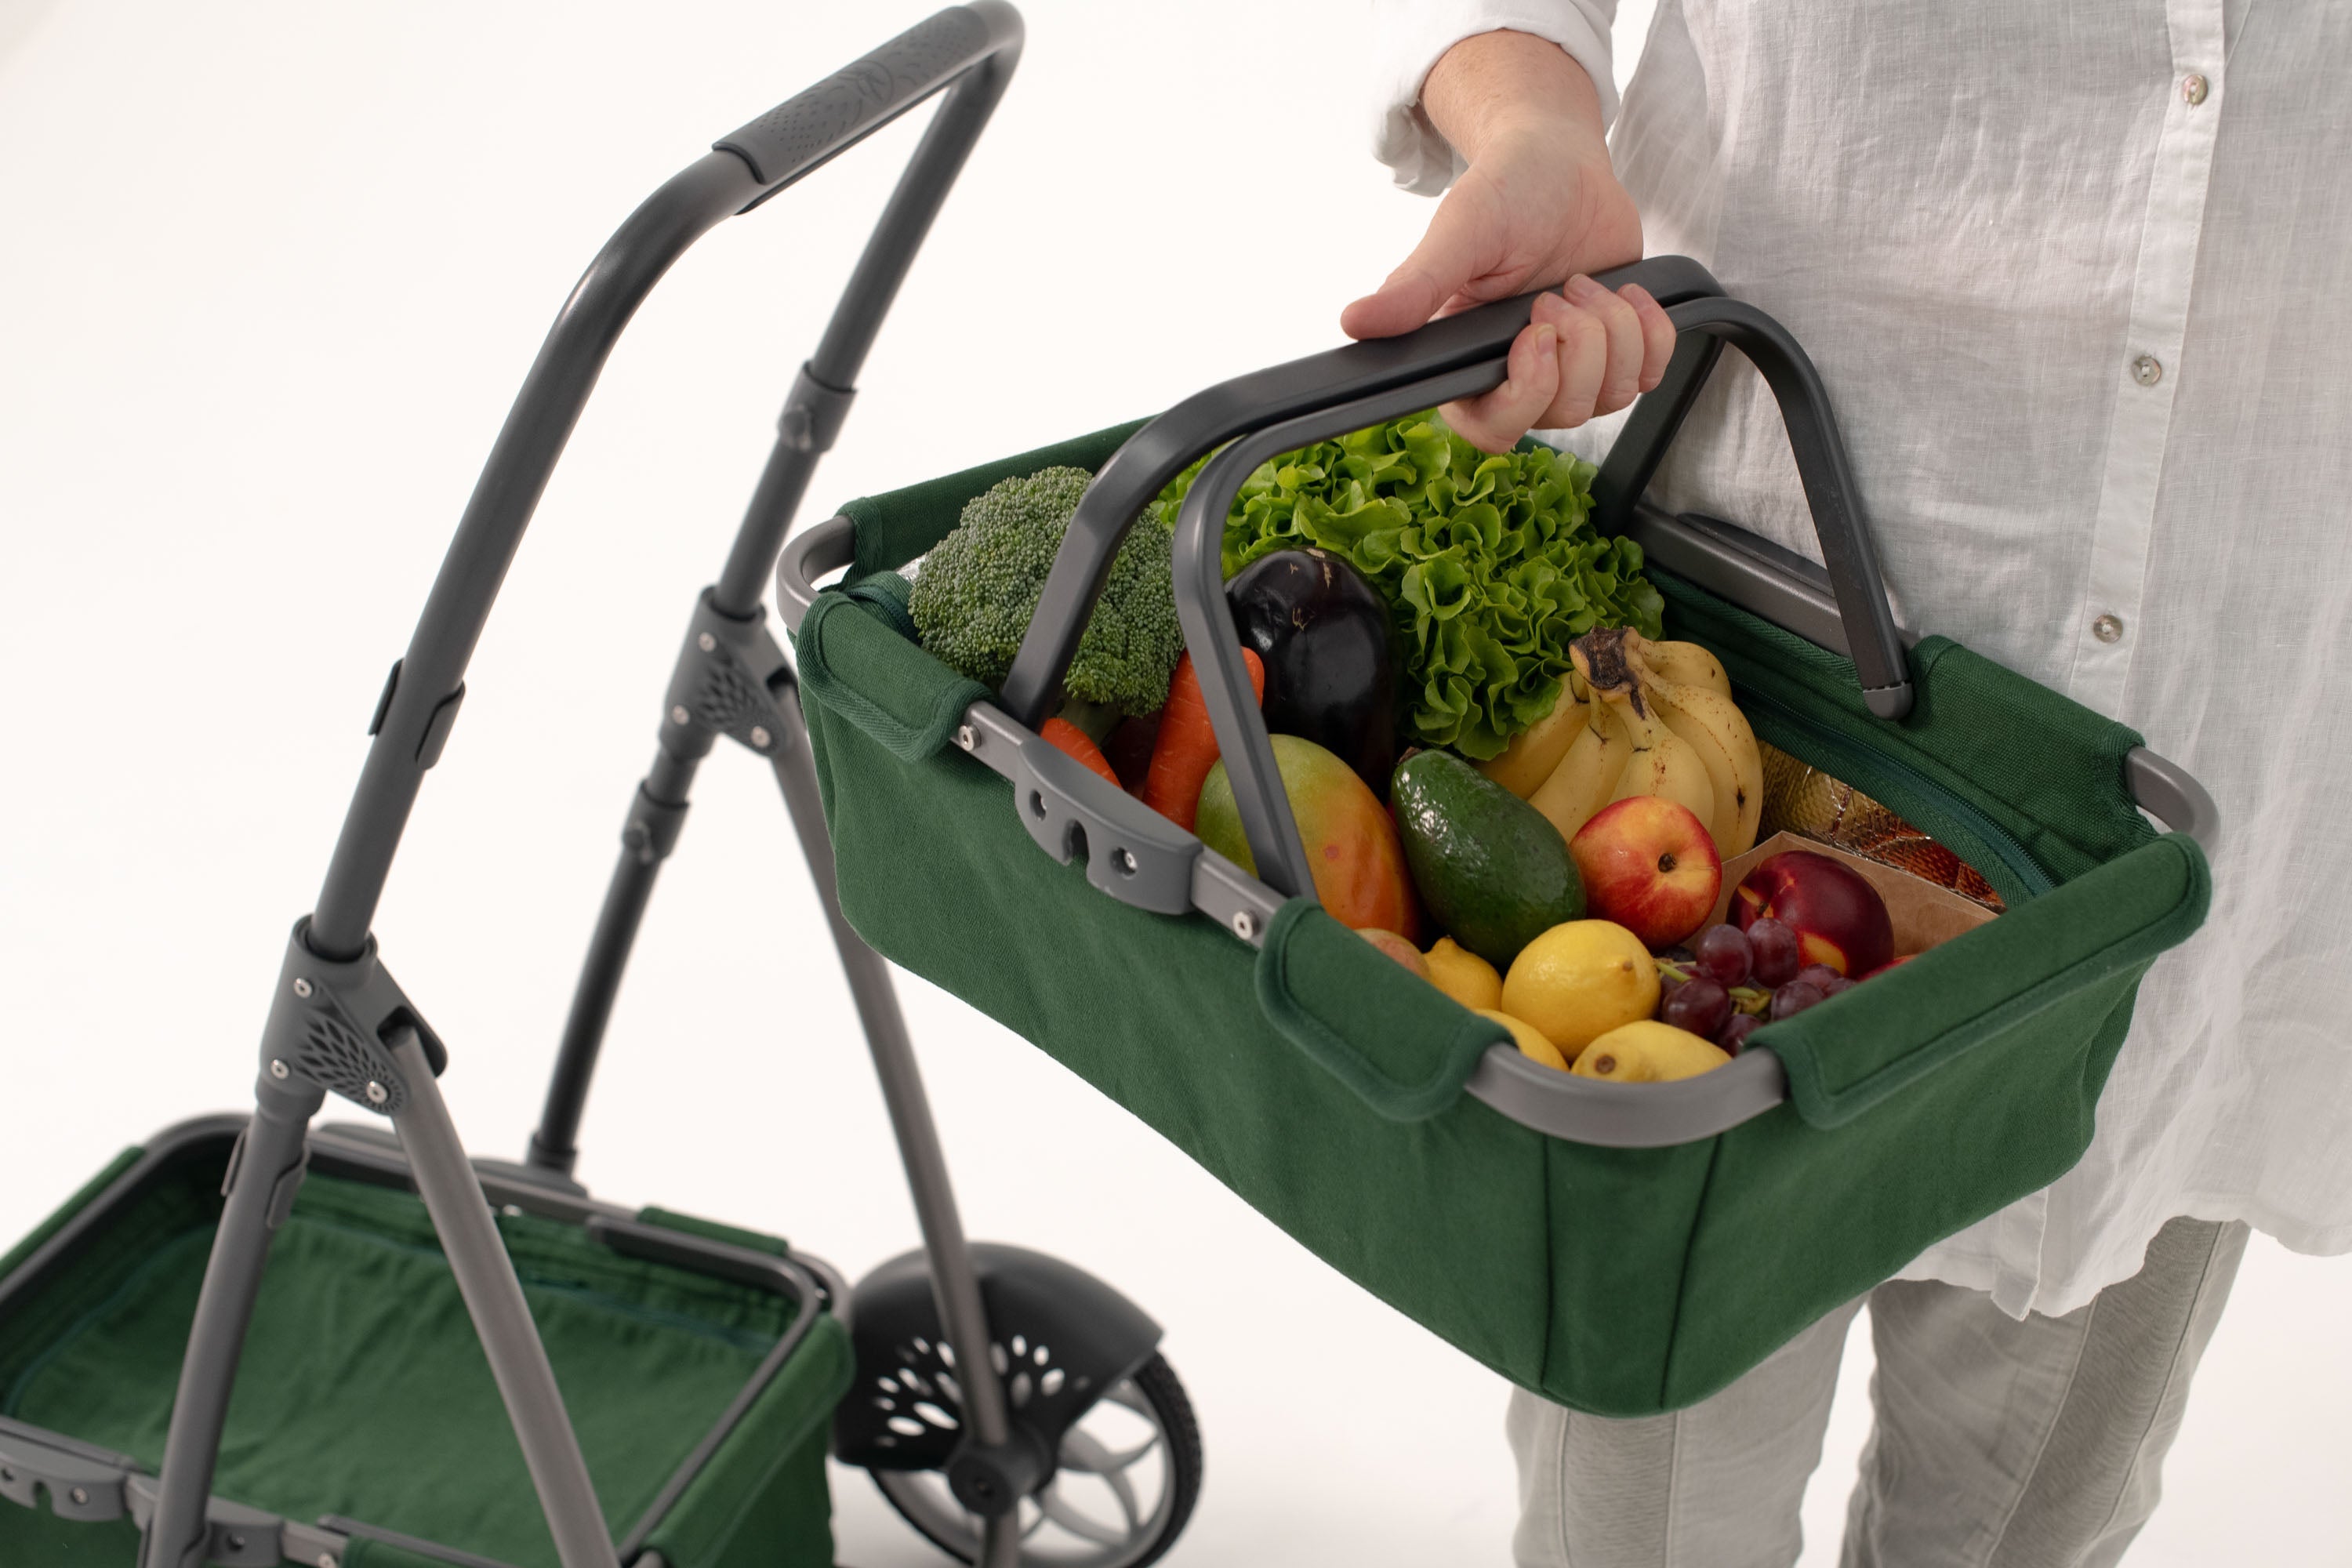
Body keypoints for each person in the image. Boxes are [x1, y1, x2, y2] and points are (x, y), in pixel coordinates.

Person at [1348, 5, 2352, 1566]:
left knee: (2037, 1517)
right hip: (1749, 659)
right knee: (1647, 1526)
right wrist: (1535, 117)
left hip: (2244, 693)